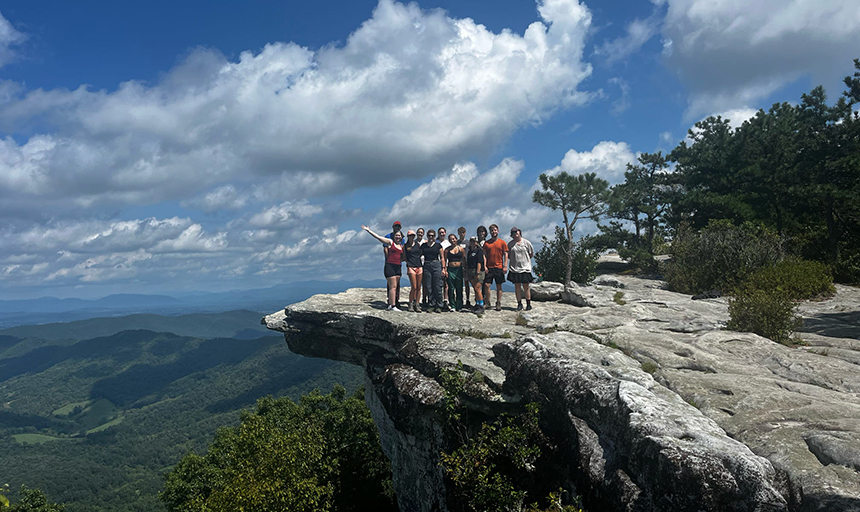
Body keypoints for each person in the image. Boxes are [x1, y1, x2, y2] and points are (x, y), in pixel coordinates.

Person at [362, 225, 404, 311]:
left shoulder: (401, 246)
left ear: (402, 237)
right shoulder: (390, 242)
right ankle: (392, 306)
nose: (398, 237)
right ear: (394, 236)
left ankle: (392, 304)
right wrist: (369, 231)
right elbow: (378, 237)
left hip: (398, 267)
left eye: (399, 235)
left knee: (395, 286)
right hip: (390, 266)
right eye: (396, 235)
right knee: (393, 286)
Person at [507, 227, 535, 311]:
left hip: (525, 268)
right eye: (513, 233)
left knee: (526, 286)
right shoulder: (510, 244)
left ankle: (528, 304)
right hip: (515, 268)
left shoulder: (527, 243)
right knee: (517, 286)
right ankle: (519, 304)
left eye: (516, 232)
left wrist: (525, 261)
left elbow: (531, 254)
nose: (515, 234)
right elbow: (508, 255)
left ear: (519, 232)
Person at [482, 224, 508, 311]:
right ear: (490, 232)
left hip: (499, 267)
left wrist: (505, 266)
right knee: (486, 284)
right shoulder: (487, 243)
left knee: (499, 286)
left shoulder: (502, 243)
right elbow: (484, 255)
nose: (494, 232)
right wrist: (485, 266)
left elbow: (505, 254)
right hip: (489, 267)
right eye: (492, 230)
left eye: (495, 230)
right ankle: (488, 302)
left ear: (498, 231)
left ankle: (498, 303)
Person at [421, 229, 445, 313]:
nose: (431, 237)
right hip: (427, 265)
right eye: (429, 235)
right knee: (428, 286)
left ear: (435, 236)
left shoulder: (438, 245)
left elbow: (442, 257)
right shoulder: (424, 246)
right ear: (427, 236)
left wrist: (443, 268)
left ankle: (439, 305)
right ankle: (431, 304)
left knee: (437, 285)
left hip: (436, 264)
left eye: (432, 236)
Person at [442, 233, 465, 311]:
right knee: (451, 288)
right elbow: (444, 260)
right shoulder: (447, 250)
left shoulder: (461, 249)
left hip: (459, 269)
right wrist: (445, 270)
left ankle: (459, 305)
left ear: (456, 239)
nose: (452, 241)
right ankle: (452, 305)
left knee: (459, 287)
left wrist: (464, 270)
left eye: (453, 239)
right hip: (450, 269)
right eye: (450, 239)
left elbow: (463, 259)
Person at [383, 221, 404, 307]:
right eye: (396, 226)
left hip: (398, 263)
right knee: (391, 283)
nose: (397, 227)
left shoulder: (402, 238)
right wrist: (389, 259)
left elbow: (402, 249)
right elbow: (385, 249)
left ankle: (396, 299)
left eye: (398, 226)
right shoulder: (388, 237)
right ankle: (390, 300)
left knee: (397, 283)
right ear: (393, 227)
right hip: (390, 262)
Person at [465, 236, 487, 314]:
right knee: (475, 289)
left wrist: (477, 273)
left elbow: (479, 262)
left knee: (477, 288)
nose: (472, 243)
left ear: (476, 242)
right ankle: (477, 303)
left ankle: (481, 305)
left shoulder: (479, 251)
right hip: (470, 271)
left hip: (478, 271)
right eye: (471, 241)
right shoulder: (470, 252)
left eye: (474, 241)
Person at [403, 230, 424, 312]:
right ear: (408, 236)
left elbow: (421, 254)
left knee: (419, 287)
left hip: (419, 266)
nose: (411, 237)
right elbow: (404, 256)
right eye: (410, 235)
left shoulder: (418, 245)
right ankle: (411, 302)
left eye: (412, 235)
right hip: (411, 266)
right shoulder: (405, 246)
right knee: (414, 286)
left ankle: (417, 303)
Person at [456, 226, 470, 307]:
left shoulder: (468, 243)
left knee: (466, 282)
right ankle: (459, 299)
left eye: (463, 232)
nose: (462, 234)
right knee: (459, 283)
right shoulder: (456, 243)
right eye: (460, 233)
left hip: (467, 264)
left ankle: (467, 299)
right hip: (458, 264)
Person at [437, 227, 450, 309]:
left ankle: (445, 300)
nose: (442, 234)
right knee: (437, 284)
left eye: (443, 232)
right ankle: (438, 300)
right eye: (440, 232)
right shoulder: (435, 242)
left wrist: (445, 267)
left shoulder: (448, 243)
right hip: (437, 264)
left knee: (446, 283)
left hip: (446, 264)